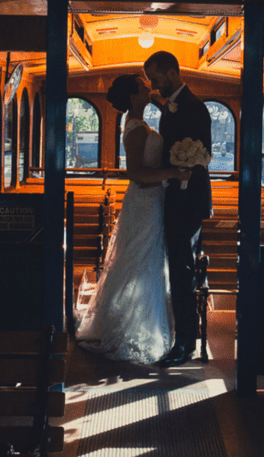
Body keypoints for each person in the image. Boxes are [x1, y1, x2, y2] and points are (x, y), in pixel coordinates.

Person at [76, 74, 190, 364]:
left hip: (151, 201)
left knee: (145, 260)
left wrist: (161, 105)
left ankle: (144, 325)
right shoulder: (137, 129)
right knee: (142, 261)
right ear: (133, 97)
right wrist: (174, 173)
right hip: (145, 201)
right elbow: (138, 175)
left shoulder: (141, 121)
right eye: (142, 85)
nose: (148, 86)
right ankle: (132, 329)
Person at [144, 50, 213, 367]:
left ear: (172, 73)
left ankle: (185, 342)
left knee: (183, 272)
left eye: (156, 78)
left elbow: (200, 156)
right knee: (177, 270)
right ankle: (182, 336)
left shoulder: (195, 108)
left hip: (188, 201)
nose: (154, 85)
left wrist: (180, 172)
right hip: (175, 197)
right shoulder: (171, 107)